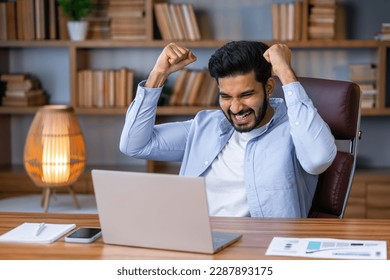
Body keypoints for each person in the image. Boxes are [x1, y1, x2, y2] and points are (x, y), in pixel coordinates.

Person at [119, 41, 337, 218]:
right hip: (192, 240)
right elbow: (134, 145)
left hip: (260, 248)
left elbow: (318, 159)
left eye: (245, 95)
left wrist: (285, 73)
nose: (235, 108)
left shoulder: (296, 128)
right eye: (225, 96)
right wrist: (159, 74)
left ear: (269, 88)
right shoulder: (206, 124)